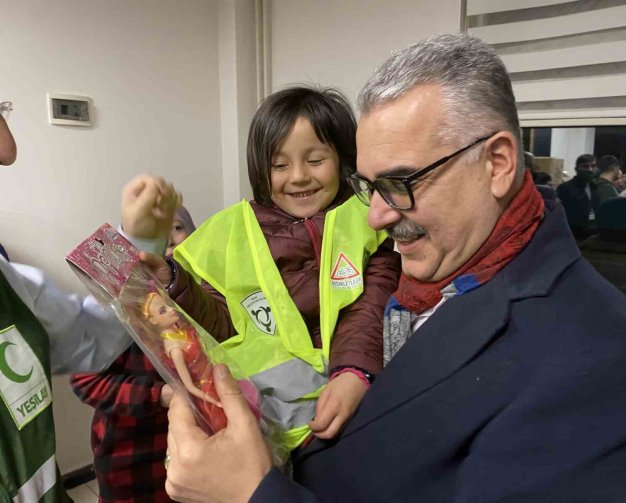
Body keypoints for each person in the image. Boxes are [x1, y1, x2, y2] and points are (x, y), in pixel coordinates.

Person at [163, 34, 626, 502]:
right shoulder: (423, 266)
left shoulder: (606, 366)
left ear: (496, 164)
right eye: (366, 186)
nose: (376, 216)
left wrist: (253, 493)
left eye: (402, 182)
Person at [143, 86, 400, 451]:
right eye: (279, 165)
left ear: (343, 158)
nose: (297, 177)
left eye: (315, 160)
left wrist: (355, 372)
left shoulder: (370, 218)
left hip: (356, 404)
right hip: (268, 426)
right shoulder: (231, 234)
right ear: (259, 170)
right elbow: (224, 327)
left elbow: (369, 310)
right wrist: (174, 282)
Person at [0, 111, 180, 501]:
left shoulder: (10, 282)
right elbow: (93, 373)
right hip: (126, 466)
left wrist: (137, 244)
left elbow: (93, 335)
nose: (7, 149)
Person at [70, 207, 196, 503]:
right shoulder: (114, 307)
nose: (168, 241)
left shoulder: (201, 297)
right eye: (151, 235)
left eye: (177, 228)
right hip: (129, 455)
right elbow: (86, 382)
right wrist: (161, 395)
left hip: (188, 451)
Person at [557, 153, 599, 239]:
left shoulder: (595, 187)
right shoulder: (565, 188)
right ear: (576, 169)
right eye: (585, 166)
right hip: (571, 235)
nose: (590, 170)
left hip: (591, 233)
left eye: (593, 166)